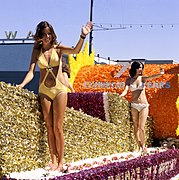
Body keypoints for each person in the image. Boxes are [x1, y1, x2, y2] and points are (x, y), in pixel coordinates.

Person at [18, 21, 92, 171]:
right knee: (49, 126)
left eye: (49, 33)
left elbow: (76, 50)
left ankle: (60, 161)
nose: (47, 36)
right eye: (44, 34)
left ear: (52, 34)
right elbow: (31, 72)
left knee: (58, 127)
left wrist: (83, 36)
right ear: (39, 35)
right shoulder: (36, 51)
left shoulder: (58, 49)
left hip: (59, 89)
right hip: (44, 89)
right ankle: (52, 160)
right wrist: (21, 85)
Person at [119, 61, 164, 152]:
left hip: (144, 105)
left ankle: (143, 146)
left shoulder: (142, 78)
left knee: (141, 127)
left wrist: (160, 74)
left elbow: (152, 77)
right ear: (134, 68)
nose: (140, 69)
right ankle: (139, 146)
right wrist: (120, 96)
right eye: (139, 67)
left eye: (141, 67)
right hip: (134, 105)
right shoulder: (129, 80)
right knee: (135, 126)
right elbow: (125, 90)